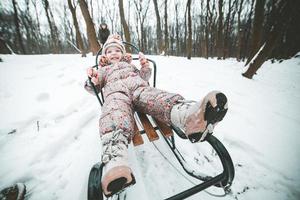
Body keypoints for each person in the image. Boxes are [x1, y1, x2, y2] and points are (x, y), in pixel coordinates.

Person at [84, 34, 228, 197]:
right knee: (114, 113)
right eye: (110, 51)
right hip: (116, 95)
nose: (114, 53)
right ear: (105, 55)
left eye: (118, 50)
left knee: (157, 97)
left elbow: (144, 77)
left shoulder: (129, 65)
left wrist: (144, 67)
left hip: (138, 89)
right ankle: (116, 162)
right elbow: (93, 89)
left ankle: (189, 116)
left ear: (123, 53)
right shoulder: (103, 70)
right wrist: (93, 80)